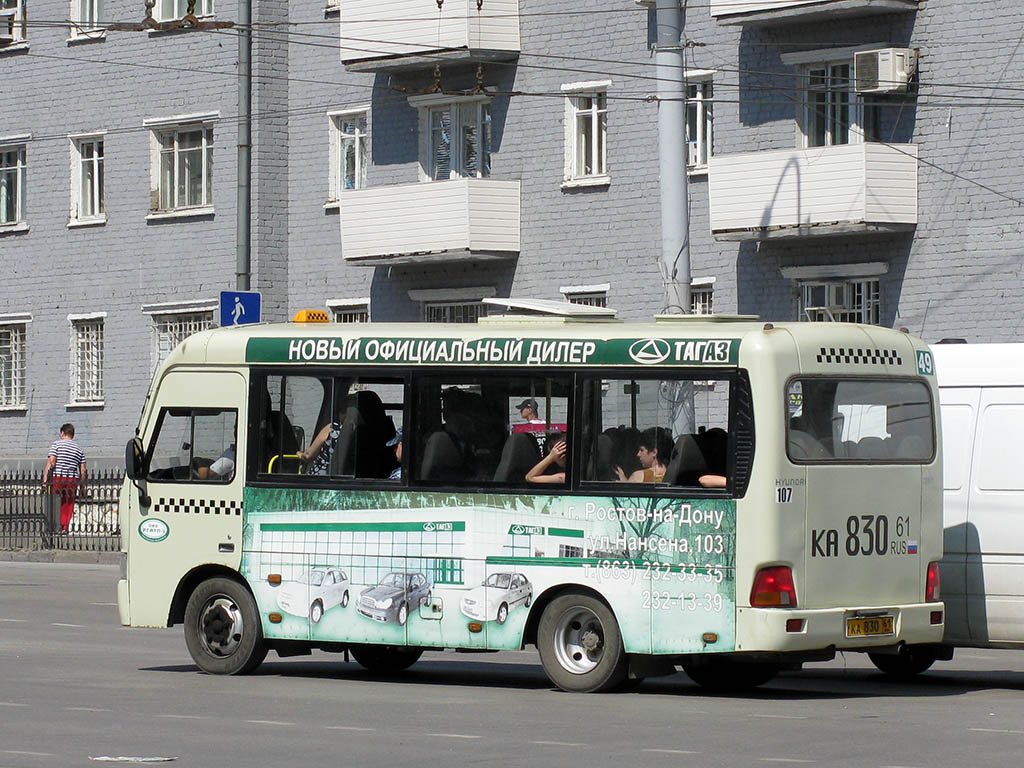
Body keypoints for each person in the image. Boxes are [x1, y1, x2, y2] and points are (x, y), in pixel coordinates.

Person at [42, 423, 86, 533]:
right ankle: (64, 527)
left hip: (58, 476)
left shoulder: (56, 444)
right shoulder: (79, 449)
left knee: (55, 501)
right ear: (72, 435)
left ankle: (54, 526)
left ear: (62, 433)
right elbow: (83, 470)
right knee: (68, 502)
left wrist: (45, 480)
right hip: (72, 479)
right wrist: (83, 486)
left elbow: (51, 462)